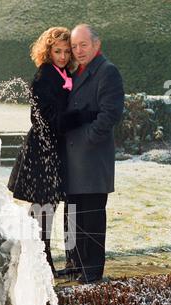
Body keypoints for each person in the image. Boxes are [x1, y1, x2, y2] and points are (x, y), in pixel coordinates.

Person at [8, 26, 96, 275]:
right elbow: (50, 120)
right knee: (43, 210)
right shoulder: (45, 76)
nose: (63, 56)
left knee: (48, 209)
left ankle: (44, 263)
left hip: (55, 149)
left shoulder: (62, 74)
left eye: (67, 51)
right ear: (48, 52)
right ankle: (41, 266)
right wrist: (84, 116)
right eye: (57, 51)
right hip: (42, 150)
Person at [58, 24, 124, 283]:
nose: (78, 50)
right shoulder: (75, 71)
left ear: (97, 44)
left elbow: (111, 114)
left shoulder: (107, 71)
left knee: (92, 216)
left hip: (92, 158)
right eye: (74, 46)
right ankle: (74, 264)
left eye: (82, 45)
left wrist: (87, 139)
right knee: (72, 214)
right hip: (72, 159)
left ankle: (92, 271)